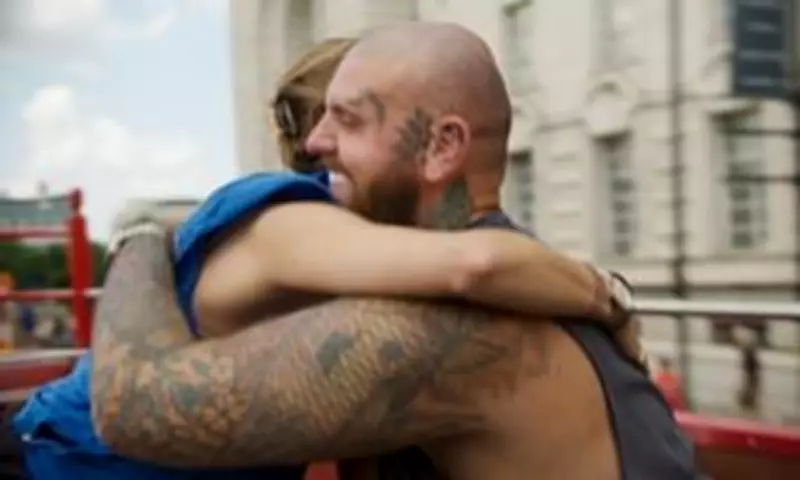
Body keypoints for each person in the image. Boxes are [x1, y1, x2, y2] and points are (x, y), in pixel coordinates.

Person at [9, 32, 643, 480]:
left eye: (352, 120)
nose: (318, 142)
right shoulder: (291, 221)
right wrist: (604, 295)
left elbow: (469, 263)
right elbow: (469, 262)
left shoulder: (388, 277)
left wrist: (140, 238)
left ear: (442, 143)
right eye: (324, 117)